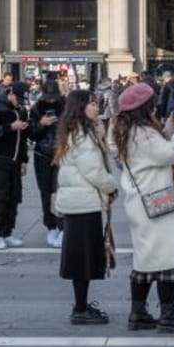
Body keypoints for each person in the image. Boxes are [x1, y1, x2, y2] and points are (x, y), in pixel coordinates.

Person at [113, 82, 174, 334]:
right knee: (168, 257)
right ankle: (168, 314)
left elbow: (156, 151)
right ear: (144, 107)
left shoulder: (128, 130)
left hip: (142, 202)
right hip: (156, 202)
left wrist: (168, 126)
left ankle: (138, 313)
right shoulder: (142, 134)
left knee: (146, 258)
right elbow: (173, 153)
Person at [54, 88, 117, 325]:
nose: (96, 107)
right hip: (83, 203)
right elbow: (93, 171)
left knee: (82, 257)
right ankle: (80, 308)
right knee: (82, 259)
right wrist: (111, 186)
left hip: (79, 202)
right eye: (91, 104)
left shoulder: (80, 131)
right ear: (80, 108)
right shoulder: (81, 136)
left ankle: (81, 305)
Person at [0, 80, 31, 249]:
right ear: (10, 94)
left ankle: (8, 231)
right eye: (18, 99)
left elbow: (23, 138)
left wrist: (24, 160)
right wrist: (10, 127)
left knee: (13, 196)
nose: (20, 102)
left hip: (15, 159)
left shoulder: (20, 110)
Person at [29, 78, 64, 247]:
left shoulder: (66, 106)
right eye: (48, 96)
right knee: (45, 191)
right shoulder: (36, 109)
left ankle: (63, 226)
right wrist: (41, 124)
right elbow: (32, 134)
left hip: (62, 153)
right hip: (42, 153)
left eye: (53, 96)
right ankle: (51, 225)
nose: (51, 100)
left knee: (59, 191)